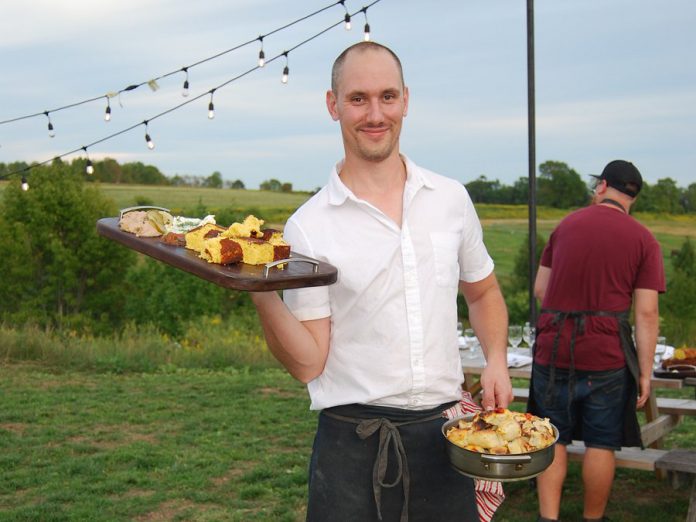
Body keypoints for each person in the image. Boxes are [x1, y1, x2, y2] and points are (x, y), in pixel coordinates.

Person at [249, 41, 512, 521]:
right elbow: (309, 363)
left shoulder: (450, 199)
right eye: (358, 99)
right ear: (333, 105)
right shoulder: (308, 227)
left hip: (447, 442)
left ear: (406, 100)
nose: (375, 113)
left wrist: (496, 358)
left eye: (387, 97)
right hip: (352, 447)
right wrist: (259, 292)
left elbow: (483, 291)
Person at [528, 159, 665, 522]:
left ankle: (548, 517)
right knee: (601, 443)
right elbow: (647, 313)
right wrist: (645, 373)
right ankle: (592, 518)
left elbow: (541, 289)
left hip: (553, 349)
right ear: (633, 196)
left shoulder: (565, 226)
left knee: (551, 437)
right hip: (606, 356)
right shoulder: (644, 240)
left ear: (602, 186)